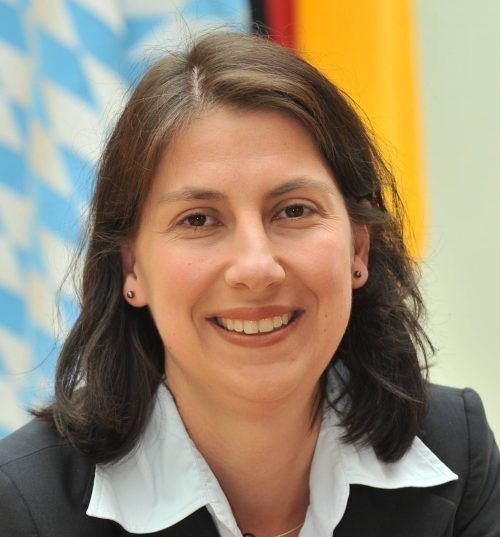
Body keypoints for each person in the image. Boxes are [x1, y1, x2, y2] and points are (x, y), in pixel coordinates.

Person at [0, 32, 498, 537]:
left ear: (358, 248)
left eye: (294, 211)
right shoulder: (25, 506)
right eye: (198, 220)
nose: (256, 268)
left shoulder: (457, 449)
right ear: (131, 268)